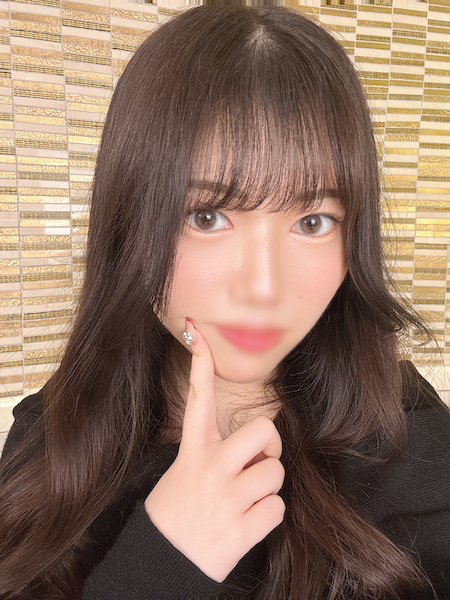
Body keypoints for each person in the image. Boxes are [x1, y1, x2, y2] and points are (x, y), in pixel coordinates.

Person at [0, 5, 449, 599]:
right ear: (129, 221)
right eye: (207, 216)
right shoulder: (55, 438)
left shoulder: (408, 436)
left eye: (312, 221)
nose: (263, 288)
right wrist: (162, 561)